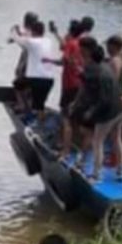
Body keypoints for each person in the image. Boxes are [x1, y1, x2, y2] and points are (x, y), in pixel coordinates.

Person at [71, 37, 122, 181]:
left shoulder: (95, 71)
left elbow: (102, 99)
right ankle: (121, 171)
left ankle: (96, 174)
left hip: (108, 112)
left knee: (97, 141)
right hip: (120, 109)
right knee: (117, 139)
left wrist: (91, 112)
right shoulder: (106, 66)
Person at [43, 20, 84, 159]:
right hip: (80, 85)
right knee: (75, 116)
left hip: (69, 85)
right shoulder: (81, 43)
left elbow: (64, 60)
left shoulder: (71, 44)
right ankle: (75, 143)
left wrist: (49, 61)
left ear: (71, 31)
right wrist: (55, 33)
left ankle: (64, 150)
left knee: (65, 117)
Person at [10, 20, 57, 120]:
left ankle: (23, 107)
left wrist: (14, 30)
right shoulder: (48, 41)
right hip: (50, 80)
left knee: (17, 85)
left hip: (36, 79)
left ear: (33, 32)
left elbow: (17, 39)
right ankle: (39, 121)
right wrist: (23, 33)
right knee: (40, 105)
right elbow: (27, 38)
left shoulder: (31, 42)